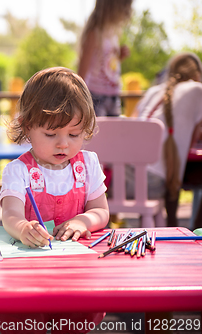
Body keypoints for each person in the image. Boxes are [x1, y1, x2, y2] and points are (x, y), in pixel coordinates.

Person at [0, 67, 109, 334]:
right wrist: (22, 227)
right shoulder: (18, 170)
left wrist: (83, 221)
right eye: (50, 135)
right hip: (27, 274)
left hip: (76, 273)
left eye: (74, 135)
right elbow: (10, 214)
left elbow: (101, 211)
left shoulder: (87, 165)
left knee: (73, 322)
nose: (63, 145)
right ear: (27, 128)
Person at [133, 52, 202, 227]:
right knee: (171, 167)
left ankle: (172, 223)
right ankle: (195, 231)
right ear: (196, 74)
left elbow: (133, 120)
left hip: (122, 178)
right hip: (153, 182)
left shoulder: (153, 91)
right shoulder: (196, 90)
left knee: (168, 165)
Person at [78, 0, 133, 117]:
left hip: (113, 94)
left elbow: (106, 64)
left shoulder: (113, 34)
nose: (127, 12)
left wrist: (119, 57)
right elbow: (84, 62)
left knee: (114, 132)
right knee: (98, 132)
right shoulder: (95, 33)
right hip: (96, 95)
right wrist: (78, 92)